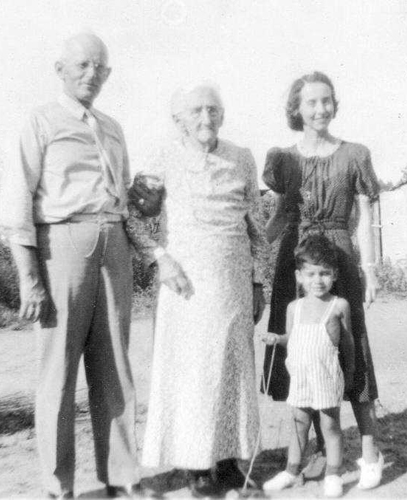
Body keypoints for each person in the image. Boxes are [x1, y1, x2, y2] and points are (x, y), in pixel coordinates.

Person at [0, 33, 148, 498]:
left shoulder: (113, 127)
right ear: (59, 68)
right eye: (82, 65)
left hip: (113, 245)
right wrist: (29, 280)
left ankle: (121, 478)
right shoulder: (40, 121)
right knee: (58, 373)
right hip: (60, 247)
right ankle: (58, 486)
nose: (91, 74)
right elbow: (15, 203)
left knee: (115, 368)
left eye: (100, 67)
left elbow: (123, 196)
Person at [126, 82, 267, 497]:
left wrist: (258, 280)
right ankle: (196, 467)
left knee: (232, 370)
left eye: (214, 110)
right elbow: (131, 217)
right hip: (184, 284)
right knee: (193, 373)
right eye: (196, 111)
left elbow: (256, 227)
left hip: (234, 282)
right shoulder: (162, 156)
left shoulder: (241, 158)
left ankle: (228, 463)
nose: (206, 118)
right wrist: (159, 258)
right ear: (178, 120)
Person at [261, 71, 384, 489]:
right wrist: (249, 253)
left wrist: (370, 270)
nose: (320, 109)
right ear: (296, 108)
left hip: (339, 261)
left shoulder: (354, 155)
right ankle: (309, 454)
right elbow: (279, 217)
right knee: (303, 356)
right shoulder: (283, 158)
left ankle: (370, 449)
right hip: (293, 264)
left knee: (351, 349)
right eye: (311, 102)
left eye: (326, 101)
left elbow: (365, 219)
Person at [261, 235, 354, 498]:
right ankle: (291, 471)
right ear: (299, 276)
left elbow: (348, 344)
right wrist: (276, 339)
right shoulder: (294, 307)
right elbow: (292, 338)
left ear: (334, 275)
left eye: (324, 273)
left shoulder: (339, 306)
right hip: (300, 376)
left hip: (326, 377)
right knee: (299, 423)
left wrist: (350, 373)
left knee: (330, 426)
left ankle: (333, 474)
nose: (318, 280)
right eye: (311, 274)